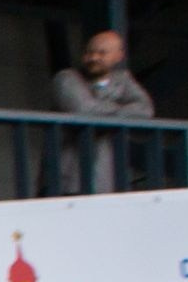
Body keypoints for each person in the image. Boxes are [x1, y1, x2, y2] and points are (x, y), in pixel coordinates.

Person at [51, 29, 154, 195]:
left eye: (102, 53)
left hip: (106, 179)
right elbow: (84, 110)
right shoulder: (67, 78)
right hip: (69, 179)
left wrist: (104, 113)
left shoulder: (123, 80)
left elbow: (145, 109)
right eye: (89, 52)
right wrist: (120, 111)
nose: (93, 58)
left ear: (118, 56)